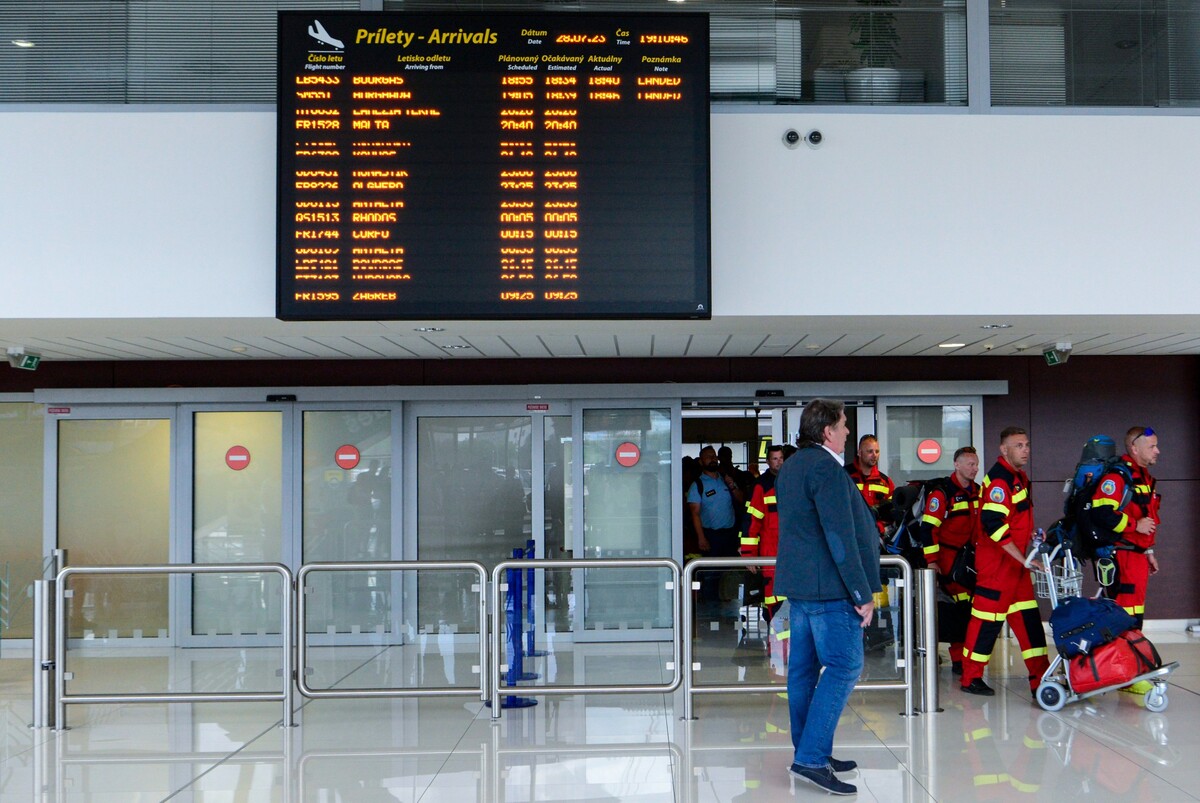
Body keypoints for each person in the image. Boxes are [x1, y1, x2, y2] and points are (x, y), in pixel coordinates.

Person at [774, 399, 880, 796]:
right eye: (844, 425)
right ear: (826, 431)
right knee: (844, 666)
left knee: (802, 671)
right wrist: (861, 592)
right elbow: (839, 535)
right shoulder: (825, 468)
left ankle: (809, 749)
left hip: (801, 586)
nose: (848, 432)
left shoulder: (795, 465)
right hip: (829, 589)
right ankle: (811, 758)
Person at [959, 427, 1050, 697]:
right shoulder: (1000, 480)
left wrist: (1033, 537)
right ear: (1004, 450)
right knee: (986, 623)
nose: (1025, 450)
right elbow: (992, 523)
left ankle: (1040, 679)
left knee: (1030, 623)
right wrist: (1023, 559)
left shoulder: (1018, 477)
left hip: (1017, 568)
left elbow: (1017, 521)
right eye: (1019, 445)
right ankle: (970, 677)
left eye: (1026, 444)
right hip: (997, 568)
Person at [1091, 426, 1161, 695]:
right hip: (1121, 557)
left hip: (1137, 557)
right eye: (1152, 446)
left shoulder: (1143, 477)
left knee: (1134, 617)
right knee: (1125, 618)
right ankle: (1126, 674)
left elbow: (1150, 518)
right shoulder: (1119, 476)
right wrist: (1133, 525)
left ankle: (1128, 671)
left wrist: (1149, 550)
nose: (1157, 450)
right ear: (1134, 447)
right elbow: (1102, 512)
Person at [917, 446, 982, 676]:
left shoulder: (978, 492)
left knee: (968, 609)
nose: (974, 469)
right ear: (957, 464)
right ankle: (957, 659)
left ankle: (962, 659)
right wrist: (932, 561)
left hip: (970, 562)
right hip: (948, 562)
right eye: (970, 464)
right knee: (956, 610)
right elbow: (928, 529)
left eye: (976, 464)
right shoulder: (943, 493)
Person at [741, 444, 785, 616]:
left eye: (781, 458)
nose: (779, 462)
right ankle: (774, 641)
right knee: (773, 601)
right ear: (767, 462)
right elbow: (752, 522)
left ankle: (787, 642)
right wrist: (748, 554)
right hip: (770, 553)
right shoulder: (761, 486)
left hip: (791, 553)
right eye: (775, 459)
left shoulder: (792, 482)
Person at [687, 446, 744, 558]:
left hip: (731, 534)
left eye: (714, 456)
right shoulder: (697, 485)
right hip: (711, 536)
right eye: (708, 457)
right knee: (712, 572)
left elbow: (742, 499)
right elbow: (695, 514)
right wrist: (701, 538)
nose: (712, 459)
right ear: (701, 461)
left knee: (731, 570)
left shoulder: (726, 479)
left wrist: (732, 486)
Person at [847, 434, 896, 536]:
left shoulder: (885, 482)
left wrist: (878, 528)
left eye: (877, 451)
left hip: (876, 537)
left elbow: (892, 513)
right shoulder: (845, 476)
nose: (874, 455)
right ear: (859, 453)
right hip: (849, 535)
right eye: (870, 451)